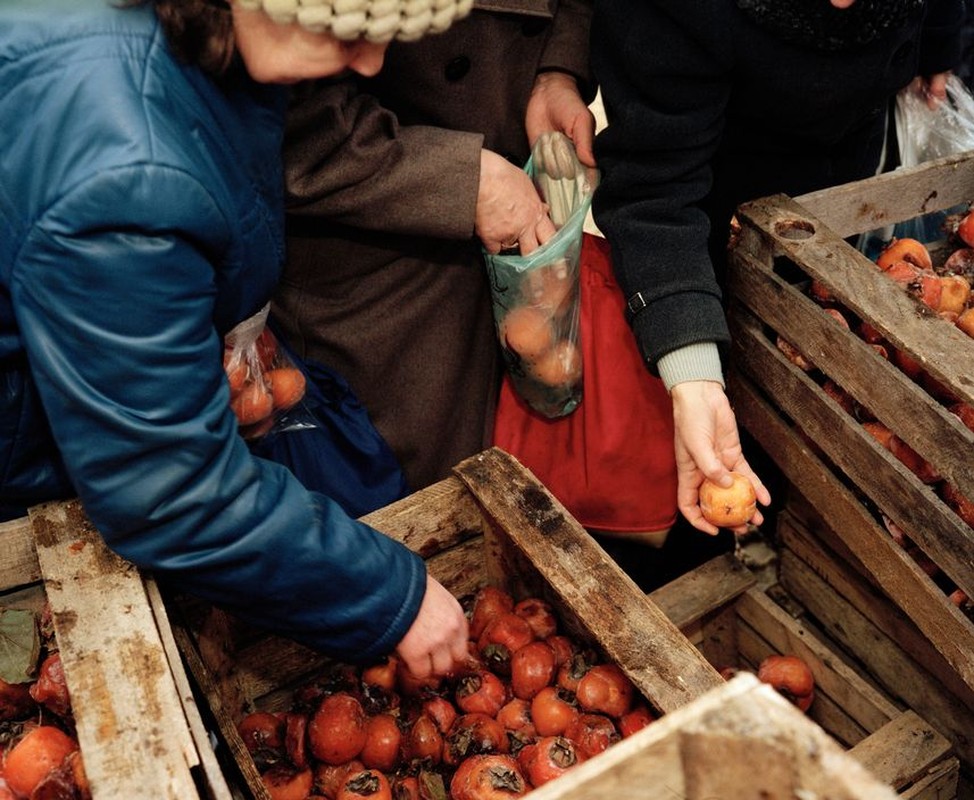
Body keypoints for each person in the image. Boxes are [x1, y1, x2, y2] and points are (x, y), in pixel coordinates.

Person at [0, 0, 476, 678]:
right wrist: (390, 598)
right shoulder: (122, 163)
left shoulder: (199, 47)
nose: (370, 61)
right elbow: (165, 489)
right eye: (341, 27)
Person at [590, 0, 962, 538]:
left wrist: (938, 44)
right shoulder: (677, 17)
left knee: (811, 352)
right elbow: (654, 187)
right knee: (727, 396)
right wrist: (692, 373)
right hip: (722, 191)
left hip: (843, 164)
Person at [274, 1, 596, 492]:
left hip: (514, 160)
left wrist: (557, 67)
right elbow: (288, 121)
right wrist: (463, 180)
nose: (371, 58)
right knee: (413, 509)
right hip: (379, 246)